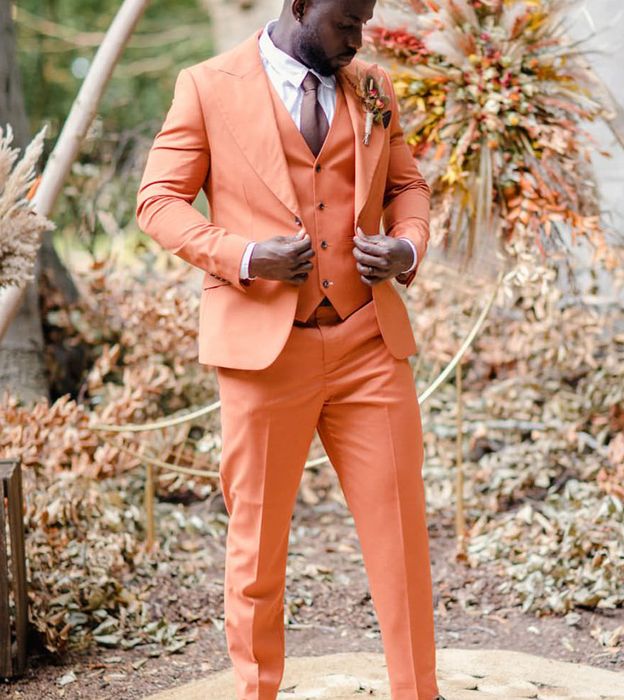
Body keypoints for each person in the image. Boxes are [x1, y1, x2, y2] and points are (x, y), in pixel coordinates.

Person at [135, 0, 446, 698]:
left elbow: (409, 188)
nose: (359, 37)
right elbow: (158, 201)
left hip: (370, 341)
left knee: (401, 540)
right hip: (264, 355)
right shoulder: (207, 85)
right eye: (347, 21)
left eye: (365, 21)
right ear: (301, 4)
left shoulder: (373, 86)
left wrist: (406, 247)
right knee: (256, 552)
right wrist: (244, 254)